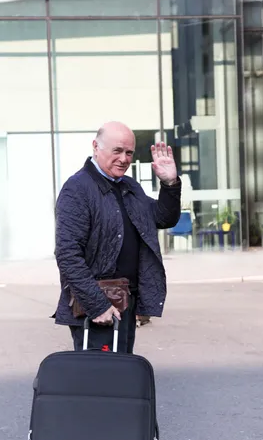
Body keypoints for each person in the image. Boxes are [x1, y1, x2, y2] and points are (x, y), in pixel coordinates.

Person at [53, 121, 181, 353]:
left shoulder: (129, 187)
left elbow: (163, 218)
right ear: (96, 147)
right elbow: (67, 254)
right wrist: (97, 305)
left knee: (120, 380)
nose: (124, 159)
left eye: (129, 152)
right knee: (100, 384)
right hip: (97, 307)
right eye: (117, 151)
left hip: (124, 302)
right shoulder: (77, 189)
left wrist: (169, 183)